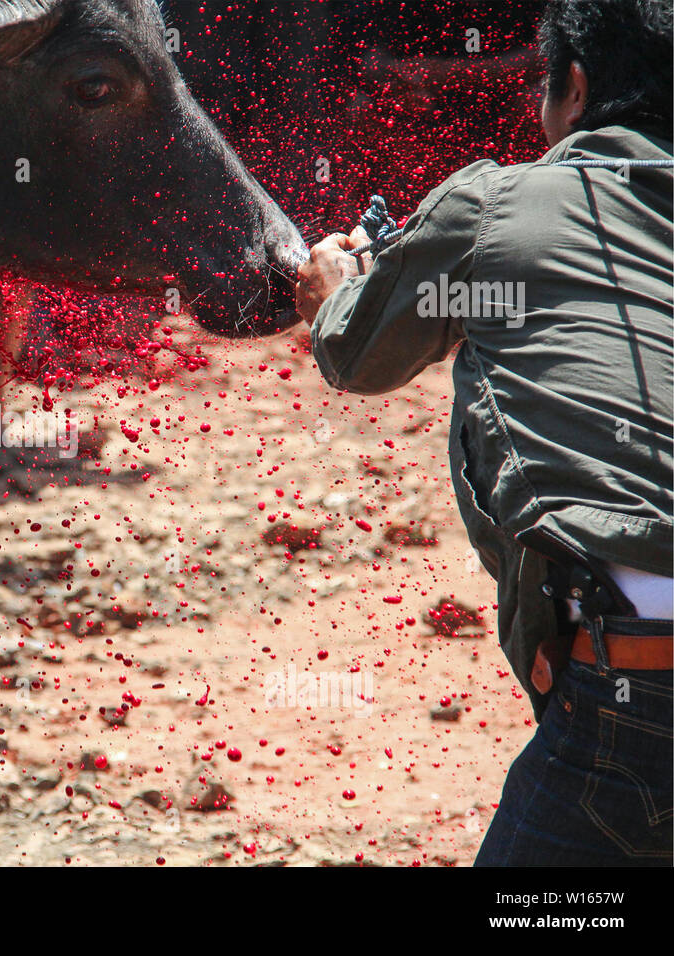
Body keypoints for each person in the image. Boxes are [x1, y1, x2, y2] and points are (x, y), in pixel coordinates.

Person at [294, 0, 672, 865]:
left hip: (639, 692)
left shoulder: (500, 202)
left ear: (573, 91)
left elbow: (357, 353)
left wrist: (335, 286)